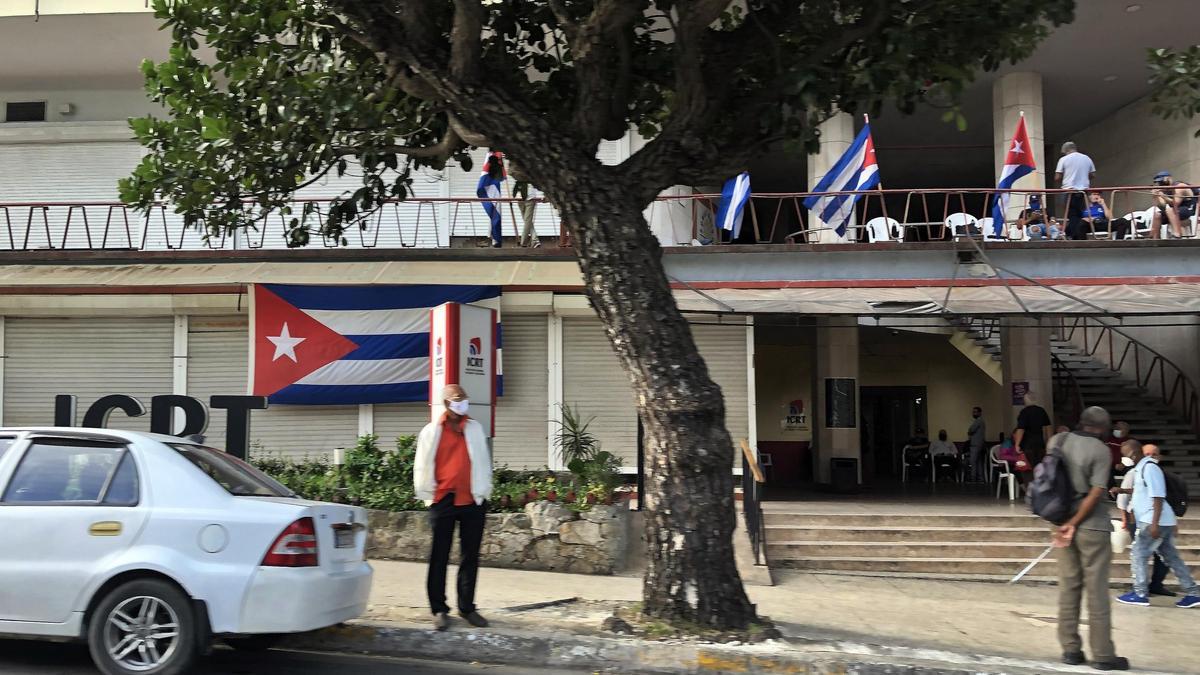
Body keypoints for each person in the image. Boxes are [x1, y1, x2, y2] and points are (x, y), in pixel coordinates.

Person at [1052, 406, 1128, 671]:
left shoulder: (1057, 440)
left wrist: (1065, 523)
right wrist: (1076, 522)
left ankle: (1070, 649)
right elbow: (1096, 493)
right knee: (1096, 591)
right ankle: (1103, 655)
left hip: (1059, 521)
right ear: (1102, 428)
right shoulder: (1101, 450)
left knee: (1069, 586)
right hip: (1092, 526)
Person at [415, 384, 494, 631]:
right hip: (444, 499)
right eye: (457, 400)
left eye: (464, 400)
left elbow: (482, 461)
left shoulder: (475, 428)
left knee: (470, 556)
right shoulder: (431, 431)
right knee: (439, 555)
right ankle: (439, 608)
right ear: (447, 403)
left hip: (472, 499)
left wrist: (485, 490)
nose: (462, 405)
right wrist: (428, 495)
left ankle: (467, 607)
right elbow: (421, 464)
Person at [1116, 443, 1200, 609]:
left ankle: (1140, 593)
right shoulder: (1141, 468)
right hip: (1160, 520)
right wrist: (1122, 491)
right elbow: (1142, 491)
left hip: (1153, 520)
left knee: (1138, 553)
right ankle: (1194, 593)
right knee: (1171, 557)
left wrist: (1154, 524)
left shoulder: (1150, 468)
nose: (1123, 459)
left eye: (1124, 454)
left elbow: (1158, 496)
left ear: (1133, 454)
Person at [1110, 440, 1172, 597]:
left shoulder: (1155, 471)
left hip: (1155, 519)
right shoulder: (1135, 472)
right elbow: (1124, 499)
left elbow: (1160, 498)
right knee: (1142, 554)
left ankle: (1151, 587)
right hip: (1139, 519)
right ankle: (1141, 590)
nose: (1150, 457)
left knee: (1158, 556)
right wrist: (1125, 518)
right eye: (1147, 454)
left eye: (1154, 454)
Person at [1054, 142, 1096, 240]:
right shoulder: (1087, 158)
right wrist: (1083, 177)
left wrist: (1068, 176)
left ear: (1066, 150)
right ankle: (1076, 234)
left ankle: (1075, 236)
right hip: (1083, 192)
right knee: (1079, 214)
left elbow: (1057, 177)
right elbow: (1093, 175)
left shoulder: (1063, 159)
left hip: (1069, 190)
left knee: (1072, 215)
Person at [1149, 171, 1198, 239]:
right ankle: (1154, 238)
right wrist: (1156, 197)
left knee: (1170, 210)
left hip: (1188, 209)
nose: (1161, 184)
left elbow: (1175, 203)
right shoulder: (1166, 190)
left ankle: (1177, 234)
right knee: (1157, 215)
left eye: (1162, 182)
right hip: (1174, 212)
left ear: (1168, 179)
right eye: (1159, 183)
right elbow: (1162, 206)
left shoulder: (1179, 186)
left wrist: (1163, 196)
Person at [1014, 391, 1053, 469]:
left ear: (1025, 401)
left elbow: (1021, 429)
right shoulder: (1041, 411)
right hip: (1040, 443)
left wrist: (1017, 444)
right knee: (1039, 466)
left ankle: (1030, 480)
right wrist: (1049, 442)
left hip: (1027, 444)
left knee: (1028, 467)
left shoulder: (1024, 412)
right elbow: (1048, 427)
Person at [476, 151, 506, 248]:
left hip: (495, 189)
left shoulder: (497, 157)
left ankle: (494, 238)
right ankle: (494, 238)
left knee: (494, 214)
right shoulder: (493, 157)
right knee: (494, 214)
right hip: (492, 188)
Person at [967, 407, 987, 482]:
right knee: (979, 463)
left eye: (975, 412)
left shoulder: (978, 421)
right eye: (973, 412)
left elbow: (971, 430)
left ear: (980, 413)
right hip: (981, 445)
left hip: (975, 445)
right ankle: (981, 479)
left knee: (973, 462)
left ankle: (973, 479)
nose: (973, 413)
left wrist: (969, 432)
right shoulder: (982, 421)